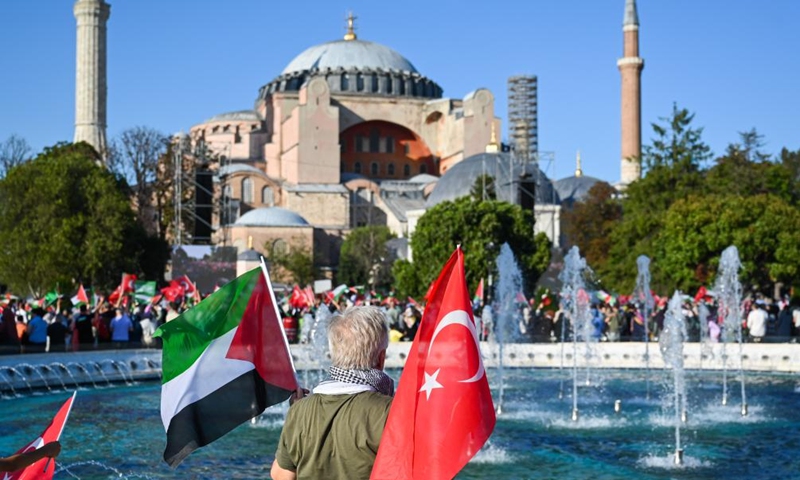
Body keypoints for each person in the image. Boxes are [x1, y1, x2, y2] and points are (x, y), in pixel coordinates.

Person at [271, 306, 393, 480]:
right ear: (381, 359)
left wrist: (297, 415)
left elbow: (280, 475)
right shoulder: (389, 411)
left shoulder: (300, 411)